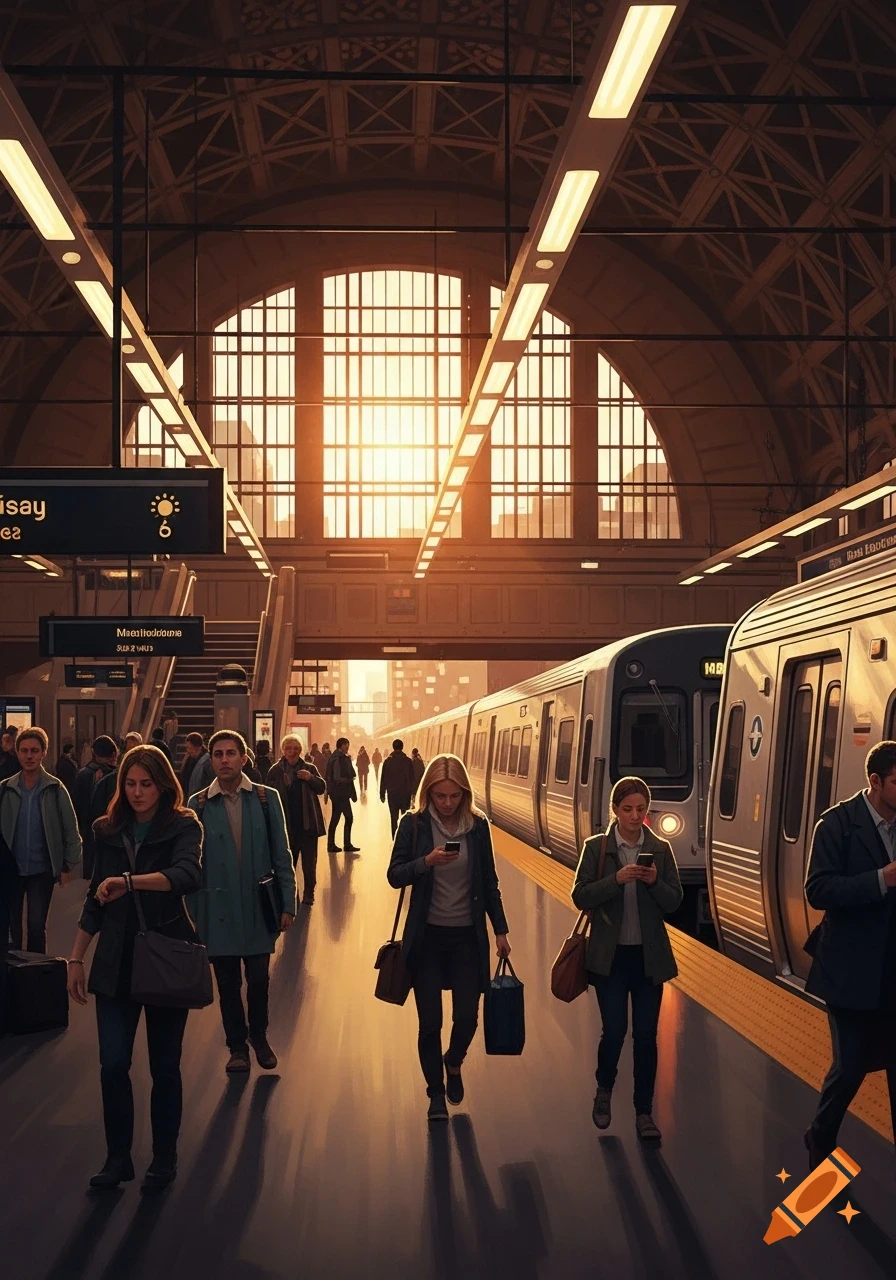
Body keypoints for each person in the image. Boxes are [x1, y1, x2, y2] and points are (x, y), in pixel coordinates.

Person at [66, 745, 203, 1190]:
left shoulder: (184, 825)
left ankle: (164, 1156)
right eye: (130, 783)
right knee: (112, 1066)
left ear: (163, 785)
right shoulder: (107, 830)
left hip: (163, 954)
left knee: (165, 1067)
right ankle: (118, 1158)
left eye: (146, 784)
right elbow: (96, 898)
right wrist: (76, 956)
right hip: (115, 962)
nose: (138, 792)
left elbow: (186, 876)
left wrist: (129, 882)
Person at [387, 754, 511, 1122]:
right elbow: (394, 875)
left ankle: (453, 1062)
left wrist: (500, 929)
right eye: (439, 796)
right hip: (426, 939)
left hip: (466, 939)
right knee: (430, 1023)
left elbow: (489, 883)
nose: (446, 803)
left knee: (468, 1018)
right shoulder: (414, 825)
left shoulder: (478, 828)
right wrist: (425, 862)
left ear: (464, 794)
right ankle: (435, 1093)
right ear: (428, 793)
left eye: (454, 796)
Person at [571, 776, 683, 1142]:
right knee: (615, 1030)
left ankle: (644, 1113)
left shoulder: (661, 849)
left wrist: (653, 882)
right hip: (610, 959)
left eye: (641, 809)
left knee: (647, 1037)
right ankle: (604, 1089)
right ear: (614, 810)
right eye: (627, 809)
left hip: (649, 960)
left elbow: (674, 902)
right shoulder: (597, 848)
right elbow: (580, 896)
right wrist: (616, 880)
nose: (635, 816)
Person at [804, 741, 896, 1169]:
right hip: (850, 970)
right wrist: (881, 879)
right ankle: (820, 1137)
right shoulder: (837, 825)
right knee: (852, 1065)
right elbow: (818, 889)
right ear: (875, 782)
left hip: (892, 971)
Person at [188, 730, 296, 1074]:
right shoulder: (198, 804)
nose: (224, 760)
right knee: (228, 983)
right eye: (217, 754)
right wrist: (193, 914)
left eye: (230, 753)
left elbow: (282, 853)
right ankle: (237, 1047)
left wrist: (288, 902)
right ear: (211, 760)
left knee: (259, 978)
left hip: (258, 905)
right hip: (217, 910)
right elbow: (191, 866)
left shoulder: (266, 799)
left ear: (243, 758)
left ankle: (259, 1036)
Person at [0, 728, 82, 954]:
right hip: (10, 870)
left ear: (44, 753)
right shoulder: (6, 789)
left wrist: (68, 864)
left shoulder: (55, 789)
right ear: (17, 753)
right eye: (24, 750)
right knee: (10, 928)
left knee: (36, 926)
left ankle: (36, 975)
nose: (29, 756)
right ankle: (11, 975)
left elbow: (70, 829)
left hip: (41, 870)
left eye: (34, 751)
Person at [266, 735, 326, 906]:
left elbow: (322, 788)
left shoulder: (309, 768)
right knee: (287, 864)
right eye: (288, 748)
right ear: (283, 750)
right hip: (285, 827)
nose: (292, 751)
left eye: (296, 748)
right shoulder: (275, 771)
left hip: (307, 826)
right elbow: (268, 797)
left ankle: (309, 893)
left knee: (309, 863)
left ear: (301, 750)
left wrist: (311, 778)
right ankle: (291, 894)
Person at [326, 737, 359, 853]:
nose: (347, 747)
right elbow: (337, 777)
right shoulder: (338, 758)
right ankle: (344, 844)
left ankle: (334, 844)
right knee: (347, 817)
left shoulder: (339, 757)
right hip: (340, 793)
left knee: (337, 818)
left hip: (339, 793)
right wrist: (348, 779)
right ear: (340, 745)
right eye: (345, 745)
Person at [380, 739, 416, 838]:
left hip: (392, 794)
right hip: (405, 794)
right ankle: (404, 837)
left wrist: (382, 794)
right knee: (405, 817)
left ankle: (394, 837)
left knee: (393, 817)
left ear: (393, 747)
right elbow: (412, 778)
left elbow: (383, 779)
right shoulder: (408, 761)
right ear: (402, 747)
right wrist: (413, 793)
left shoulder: (388, 761)